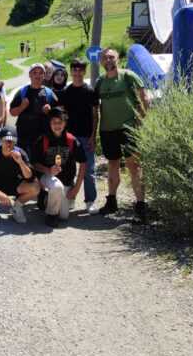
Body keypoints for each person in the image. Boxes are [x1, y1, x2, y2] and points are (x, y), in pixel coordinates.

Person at [94, 47, 149, 220]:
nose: (108, 60)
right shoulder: (100, 82)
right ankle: (111, 202)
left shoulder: (128, 76)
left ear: (118, 58)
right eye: (105, 58)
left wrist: (139, 121)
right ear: (101, 61)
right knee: (112, 164)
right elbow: (94, 106)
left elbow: (145, 98)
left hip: (128, 129)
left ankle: (140, 205)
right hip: (107, 130)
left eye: (111, 57)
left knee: (134, 166)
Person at [31, 108, 87, 228]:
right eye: (53, 122)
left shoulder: (71, 140)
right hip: (47, 176)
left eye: (60, 122)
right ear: (49, 123)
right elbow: (33, 163)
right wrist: (47, 170)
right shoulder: (43, 140)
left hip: (66, 179)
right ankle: (51, 215)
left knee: (64, 216)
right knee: (57, 187)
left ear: (65, 123)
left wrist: (77, 187)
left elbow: (83, 162)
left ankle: (47, 199)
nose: (57, 125)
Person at [57, 57, 99, 214]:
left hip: (86, 136)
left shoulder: (91, 91)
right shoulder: (64, 92)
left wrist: (93, 136)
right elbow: (60, 116)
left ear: (84, 71)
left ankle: (90, 201)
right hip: (68, 137)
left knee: (88, 170)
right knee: (68, 169)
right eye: (74, 69)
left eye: (80, 70)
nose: (77, 73)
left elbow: (95, 115)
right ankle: (70, 198)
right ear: (71, 71)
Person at [0, 126, 40, 224]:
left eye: (12, 140)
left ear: (16, 141)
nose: (9, 143)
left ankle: (16, 208)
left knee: (35, 187)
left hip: (15, 184)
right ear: (0, 140)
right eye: (6, 140)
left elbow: (30, 177)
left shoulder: (20, 153)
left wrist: (21, 162)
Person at [9, 63, 58, 151]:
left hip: (43, 138)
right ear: (29, 75)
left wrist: (50, 112)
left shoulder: (49, 93)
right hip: (24, 138)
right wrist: (21, 107)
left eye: (40, 73)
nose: (37, 75)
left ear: (44, 76)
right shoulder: (22, 91)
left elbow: (59, 115)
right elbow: (12, 112)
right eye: (34, 72)